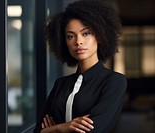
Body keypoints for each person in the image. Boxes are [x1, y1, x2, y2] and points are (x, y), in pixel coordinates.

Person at [34, 0, 127, 132]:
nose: (78, 42)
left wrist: (53, 129)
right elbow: (38, 130)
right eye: (70, 36)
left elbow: (93, 129)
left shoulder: (114, 81)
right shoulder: (61, 84)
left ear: (100, 36)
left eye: (86, 34)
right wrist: (63, 127)